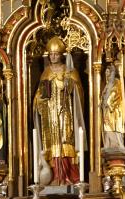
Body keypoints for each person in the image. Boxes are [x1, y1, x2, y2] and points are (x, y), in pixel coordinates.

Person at [34, 36, 85, 185]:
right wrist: (40, 99)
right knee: (53, 142)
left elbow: (79, 93)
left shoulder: (70, 71)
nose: (53, 56)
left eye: (56, 54)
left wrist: (70, 84)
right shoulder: (46, 72)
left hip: (65, 111)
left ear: (61, 54)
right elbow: (39, 94)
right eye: (51, 54)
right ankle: (55, 176)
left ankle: (69, 175)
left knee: (66, 139)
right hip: (50, 114)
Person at [101, 64, 125, 152]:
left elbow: (117, 93)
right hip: (107, 110)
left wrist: (109, 102)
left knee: (113, 126)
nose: (107, 74)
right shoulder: (107, 84)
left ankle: (116, 144)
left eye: (108, 72)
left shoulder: (117, 81)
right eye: (106, 72)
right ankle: (108, 144)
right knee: (107, 126)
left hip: (114, 110)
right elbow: (103, 95)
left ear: (112, 73)